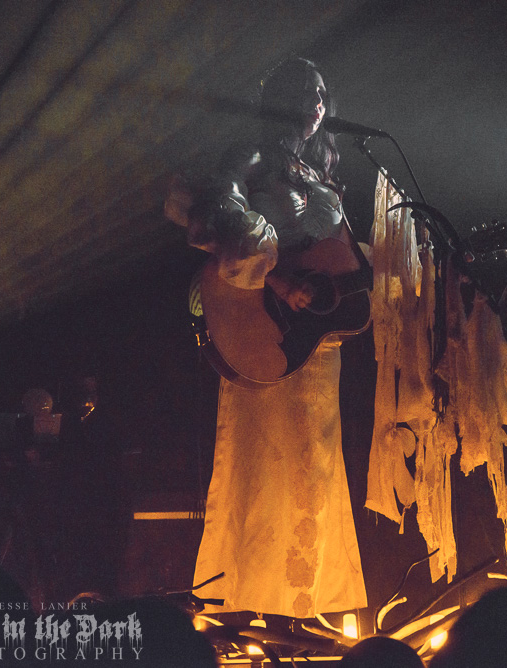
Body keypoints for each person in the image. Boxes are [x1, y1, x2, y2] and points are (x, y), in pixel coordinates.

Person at [166, 57, 367, 619]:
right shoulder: (252, 157)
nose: (318, 104)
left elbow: (337, 257)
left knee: (315, 463)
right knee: (263, 463)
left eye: (323, 93)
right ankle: (253, 601)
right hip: (262, 328)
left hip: (316, 342)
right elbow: (218, 215)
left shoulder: (321, 173)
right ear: (280, 99)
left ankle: (306, 603)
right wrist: (277, 277)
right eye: (306, 92)